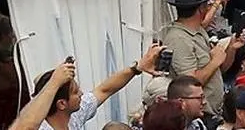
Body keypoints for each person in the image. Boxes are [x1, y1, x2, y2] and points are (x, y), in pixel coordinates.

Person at [20, 45, 163, 130]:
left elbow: (104, 89)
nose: (82, 94)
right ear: (62, 104)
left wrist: (137, 68)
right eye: (76, 92)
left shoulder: (73, 115)